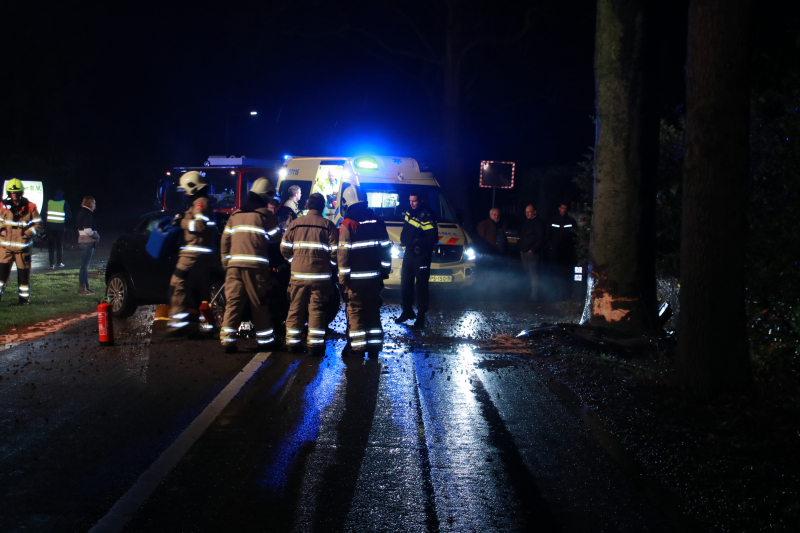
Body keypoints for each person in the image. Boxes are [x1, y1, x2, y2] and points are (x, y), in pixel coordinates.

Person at [219, 178, 282, 353]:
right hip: (255, 267)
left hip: (233, 267)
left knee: (233, 303)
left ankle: (227, 341)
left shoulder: (235, 215)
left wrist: (226, 264)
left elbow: (225, 241)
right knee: (258, 303)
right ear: (266, 196)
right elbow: (277, 239)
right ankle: (266, 341)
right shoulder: (264, 215)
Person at [337, 184, 392, 356]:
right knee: (373, 311)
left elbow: (343, 255)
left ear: (348, 204)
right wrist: (384, 271)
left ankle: (358, 348)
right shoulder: (378, 222)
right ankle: (375, 347)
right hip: (375, 278)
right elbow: (385, 249)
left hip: (354, 281)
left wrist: (343, 279)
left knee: (355, 313)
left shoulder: (347, 225)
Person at [281, 192, 338, 355]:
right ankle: (315, 346)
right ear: (323, 207)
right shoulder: (328, 225)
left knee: (295, 308)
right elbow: (335, 253)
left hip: (298, 275)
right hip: (320, 277)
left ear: (307, 206)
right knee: (317, 310)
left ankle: (292, 344)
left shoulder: (295, 224)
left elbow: (284, 247)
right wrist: (330, 266)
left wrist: (294, 261)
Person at [168, 171, 217, 331]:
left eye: (186, 190)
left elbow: (199, 226)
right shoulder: (201, 203)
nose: (185, 193)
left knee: (177, 286)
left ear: (193, 188)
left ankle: (178, 325)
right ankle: (207, 326)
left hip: (193, 253)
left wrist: (182, 222)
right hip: (202, 255)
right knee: (202, 293)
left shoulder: (200, 203)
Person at [395, 190, 438, 328]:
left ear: (421, 200)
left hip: (421, 256)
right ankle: (407, 311)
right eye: (410, 200)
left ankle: (420, 317)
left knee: (421, 286)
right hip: (409, 253)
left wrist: (417, 242)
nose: (412, 203)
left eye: (414, 201)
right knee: (405, 283)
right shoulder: (410, 211)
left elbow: (432, 238)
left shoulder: (427, 215)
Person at [0, 179, 42, 304]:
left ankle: (24, 300)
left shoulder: (30, 207)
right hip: (5, 248)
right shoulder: (2, 206)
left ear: (21, 192)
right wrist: (1, 230)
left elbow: (38, 223)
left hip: (23, 249)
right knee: (1, 276)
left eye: (16, 192)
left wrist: (27, 234)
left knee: (24, 276)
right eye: (11, 192)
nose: (14, 194)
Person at [547, 203, 578, 300]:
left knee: (566, 274)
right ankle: (557, 294)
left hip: (567, 252)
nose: (564, 210)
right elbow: (548, 235)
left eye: (565, 208)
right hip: (555, 252)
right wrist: (551, 246)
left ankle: (566, 295)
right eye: (562, 208)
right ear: (559, 208)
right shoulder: (553, 221)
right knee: (555, 273)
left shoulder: (571, 221)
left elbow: (574, 236)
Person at [519, 204, 546, 300]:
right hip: (524, 251)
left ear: (534, 212)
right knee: (527, 273)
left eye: (529, 212)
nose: (527, 214)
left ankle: (534, 294)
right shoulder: (527, 222)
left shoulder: (538, 222)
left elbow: (540, 237)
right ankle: (529, 292)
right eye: (526, 212)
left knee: (533, 273)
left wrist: (533, 250)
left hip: (532, 252)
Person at [42, 189, 72, 269]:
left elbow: (43, 214)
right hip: (60, 227)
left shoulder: (49, 202)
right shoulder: (64, 203)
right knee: (59, 245)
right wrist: (63, 221)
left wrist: (45, 224)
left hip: (50, 227)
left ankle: (51, 264)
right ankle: (59, 263)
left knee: (51, 246)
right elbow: (69, 216)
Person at [76, 196, 99, 295]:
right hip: (87, 242)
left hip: (82, 241)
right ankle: (82, 288)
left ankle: (85, 286)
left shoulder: (81, 213)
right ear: (89, 203)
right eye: (93, 203)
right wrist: (97, 236)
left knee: (85, 265)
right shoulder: (87, 214)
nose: (95, 205)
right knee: (84, 266)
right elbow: (87, 230)